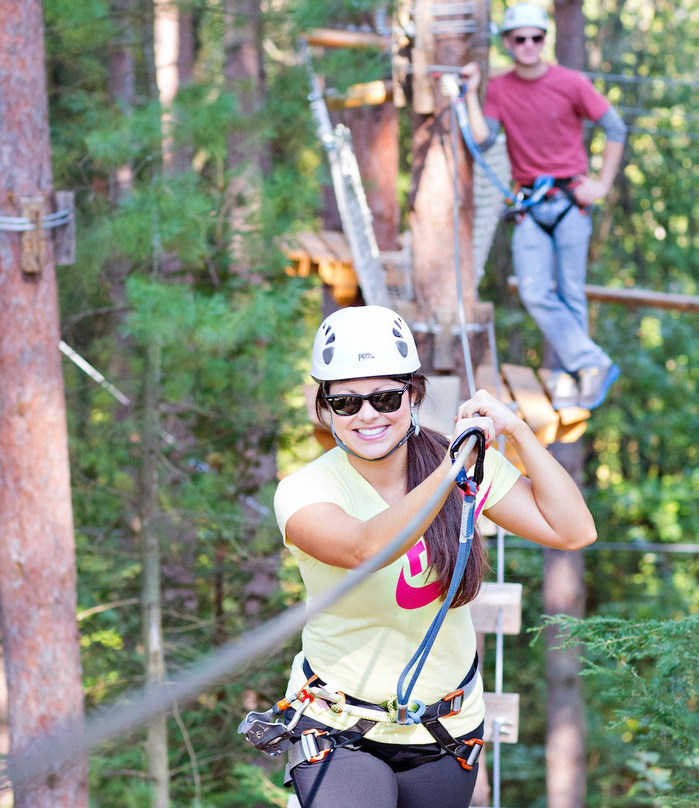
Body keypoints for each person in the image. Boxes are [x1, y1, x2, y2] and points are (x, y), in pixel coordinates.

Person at [268, 305, 596, 808]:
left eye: (384, 396)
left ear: (413, 394)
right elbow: (365, 548)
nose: (368, 415)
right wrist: (450, 473)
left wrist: (517, 432)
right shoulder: (306, 489)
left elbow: (572, 531)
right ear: (325, 408)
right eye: (346, 402)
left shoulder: (459, 465)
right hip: (337, 727)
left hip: (445, 731)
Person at [461, 3, 627, 410]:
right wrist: (468, 92)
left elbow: (615, 127)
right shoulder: (500, 88)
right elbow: (483, 140)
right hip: (531, 204)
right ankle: (592, 362)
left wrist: (602, 183)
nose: (529, 45)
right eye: (520, 39)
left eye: (536, 37)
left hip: (570, 200)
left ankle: (576, 376)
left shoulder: (569, 83)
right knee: (535, 291)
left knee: (571, 294)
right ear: (508, 43)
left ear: (545, 40)